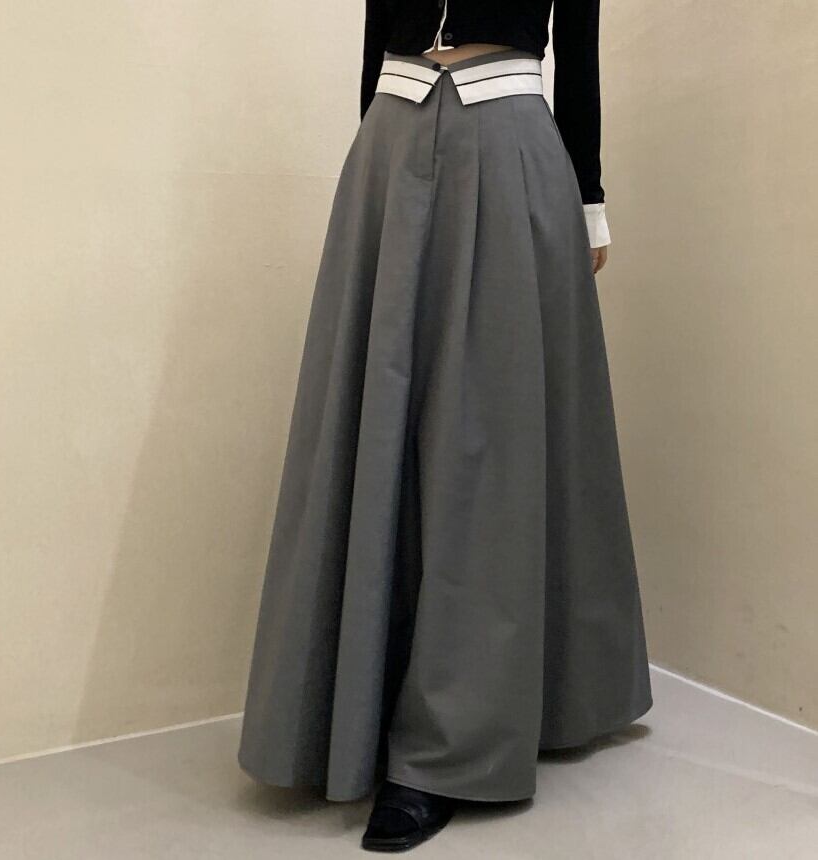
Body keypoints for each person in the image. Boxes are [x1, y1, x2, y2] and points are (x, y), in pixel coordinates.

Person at [238, 0, 653, 852]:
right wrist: (373, 172)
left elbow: (578, 52)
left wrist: (589, 201)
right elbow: (374, 42)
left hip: (509, 143)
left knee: (486, 448)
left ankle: (448, 745)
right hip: (390, 142)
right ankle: (351, 708)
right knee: (370, 432)